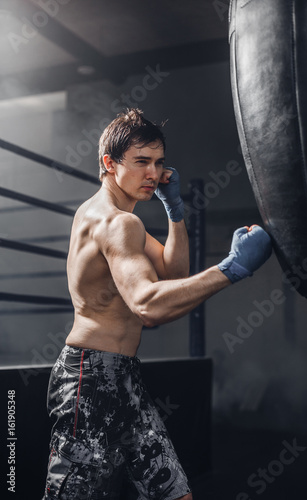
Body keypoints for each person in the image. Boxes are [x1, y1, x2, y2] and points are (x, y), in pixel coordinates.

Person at [42, 108, 272, 500]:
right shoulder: (119, 224)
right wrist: (231, 269)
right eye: (142, 162)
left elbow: (173, 272)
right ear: (109, 163)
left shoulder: (102, 214)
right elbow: (148, 304)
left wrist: (174, 211)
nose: (154, 173)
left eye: (159, 162)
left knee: (175, 494)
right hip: (90, 379)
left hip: (122, 376)